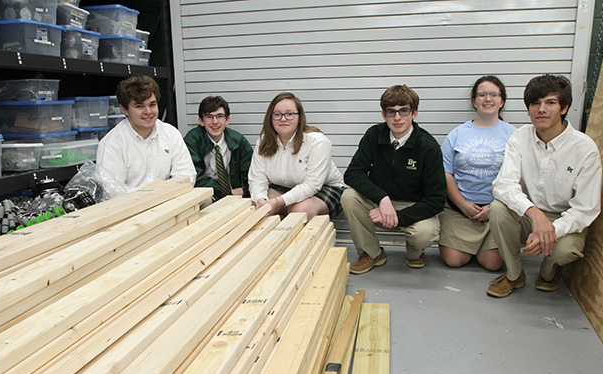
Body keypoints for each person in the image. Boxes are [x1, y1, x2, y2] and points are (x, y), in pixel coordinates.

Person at [486, 74, 602, 297]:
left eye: (550, 103)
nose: (541, 109)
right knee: (498, 209)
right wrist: (534, 214)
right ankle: (514, 274)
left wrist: (550, 230)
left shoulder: (584, 148)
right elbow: (503, 185)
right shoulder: (520, 137)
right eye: (535, 103)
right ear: (528, 109)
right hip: (530, 214)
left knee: (566, 251)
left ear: (564, 107)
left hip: (564, 218)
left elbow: (585, 208)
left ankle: (549, 272)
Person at [341, 84, 446, 275]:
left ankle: (415, 253)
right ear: (384, 115)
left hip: (415, 205)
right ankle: (371, 253)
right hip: (381, 202)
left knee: (425, 233)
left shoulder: (428, 147)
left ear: (414, 113)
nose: (397, 118)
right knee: (349, 196)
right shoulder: (374, 135)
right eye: (391, 112)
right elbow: (353, 173)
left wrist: (398, 218)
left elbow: (437, 200)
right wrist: (382, 198)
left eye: (403, 111)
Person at [439, 76, 516, 270]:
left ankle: (482, 246)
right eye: (482, 95)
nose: (487, 99)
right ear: (474, 101)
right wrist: (463, 205)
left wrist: (493, 208)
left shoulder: (514, 135)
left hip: (497, 210)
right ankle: (470, 245)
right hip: (460, 210)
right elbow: (446, 174)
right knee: (454, 260)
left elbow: (518, 176)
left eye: (493, 94)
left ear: (502, 101)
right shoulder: (457, 134)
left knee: (492, 264)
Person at [248, 92, 345, 220]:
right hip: (284, 188)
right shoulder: (263, 142)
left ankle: (286, 212)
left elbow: (312, 185)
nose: (283, 119)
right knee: (258, 202)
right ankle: (285, 212)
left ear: (299, 117)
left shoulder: (317, 142)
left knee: (301, 211)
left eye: (290, 114)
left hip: (322, 188)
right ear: (270, 118)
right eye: (277, 114)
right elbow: (257, 179)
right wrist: (261, 200)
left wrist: (277, 203)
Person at [97, 76, 196, 192]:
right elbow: (112, 190)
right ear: (124, 109)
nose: (148, 112)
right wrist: (151, 196)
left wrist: (164, 194)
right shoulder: (111, 143)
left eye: (152, 105)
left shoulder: (171, 134)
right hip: (132, 207)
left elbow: (186, 175)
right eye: (139, 106)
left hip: (169, 201)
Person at [184, 96, 253, 205]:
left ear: (227, 120)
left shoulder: (239, 141)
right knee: (202, 202)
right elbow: (194, 176)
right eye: (209, 117)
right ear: (201, 121)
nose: (215, 122)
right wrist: (224, 192)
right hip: (208, 194)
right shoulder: (192, 140)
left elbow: (251, 173)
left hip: (236, 194)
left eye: (220, 116)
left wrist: (246, 192)